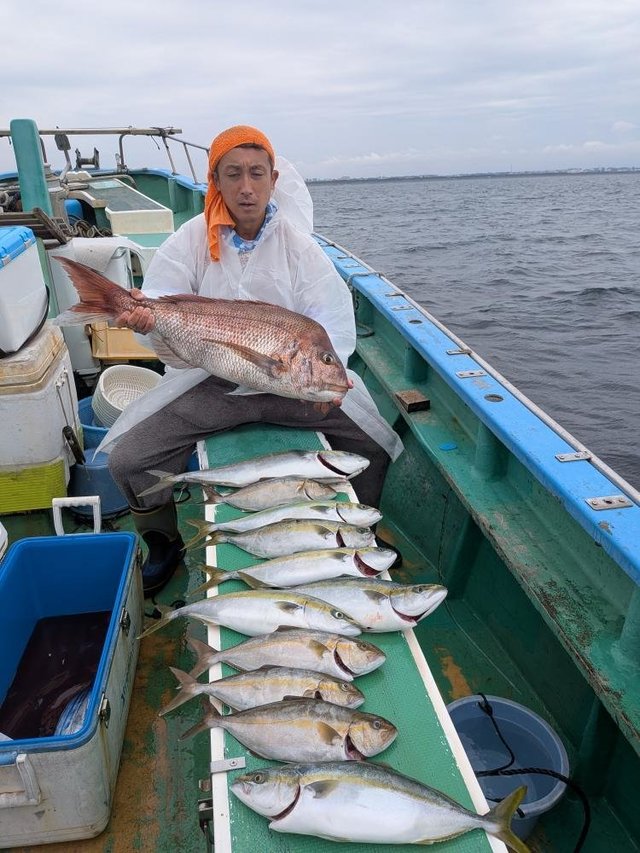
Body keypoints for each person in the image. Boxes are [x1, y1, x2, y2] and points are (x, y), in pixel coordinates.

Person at [105, 124, 403, 596]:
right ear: (216, 181)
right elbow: (162, 298)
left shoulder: (299, 246)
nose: (246, 187)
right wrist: (145, 316)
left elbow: (332, 321)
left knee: (376, 446)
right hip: (211, 381)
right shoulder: (190, 238)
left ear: (273, 179)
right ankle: (161, 539)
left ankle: (355, 536)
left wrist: (321, 380)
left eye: (257, 174)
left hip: (296, 387)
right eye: (234, 174)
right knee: (128, 458)